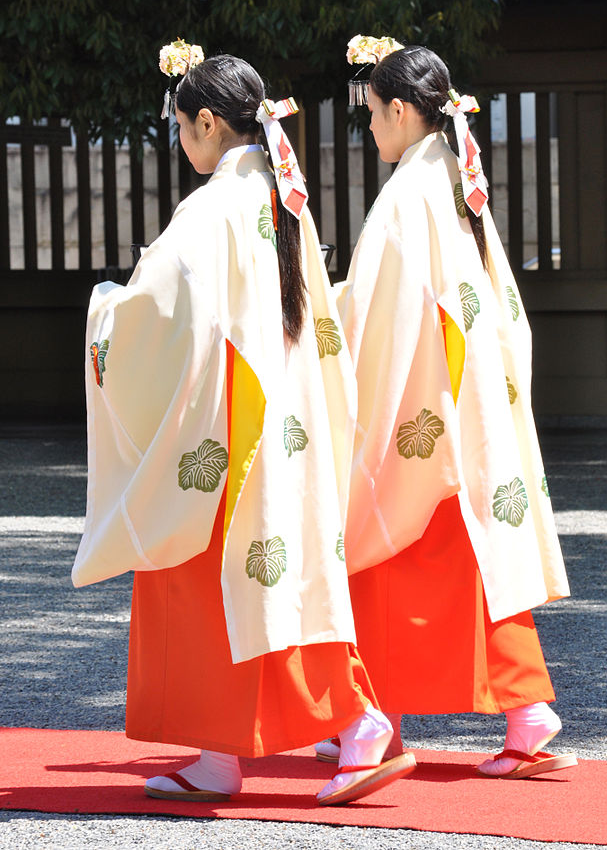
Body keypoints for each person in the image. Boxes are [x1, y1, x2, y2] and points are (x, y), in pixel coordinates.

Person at [72, 50, 415, 805]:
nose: (181, 145)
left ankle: (357, 721)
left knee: (209, 580)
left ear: (206, 124)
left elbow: (159, 313)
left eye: (183, 129)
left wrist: (104, 310)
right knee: (279, 580)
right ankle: (224, 753)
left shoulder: (212, 209)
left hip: (228, 430)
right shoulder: (279, 194)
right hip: (285, 424)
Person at [316, 42, 575, 780]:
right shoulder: (457, 183)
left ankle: (369, 725)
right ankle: (526, 713)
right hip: (465, 410)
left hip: (422, 411)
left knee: (372, 552)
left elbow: (378, 315)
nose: (368, 129)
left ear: (401, 111)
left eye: (370, 115)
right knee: (478, 563)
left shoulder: (407, 196)